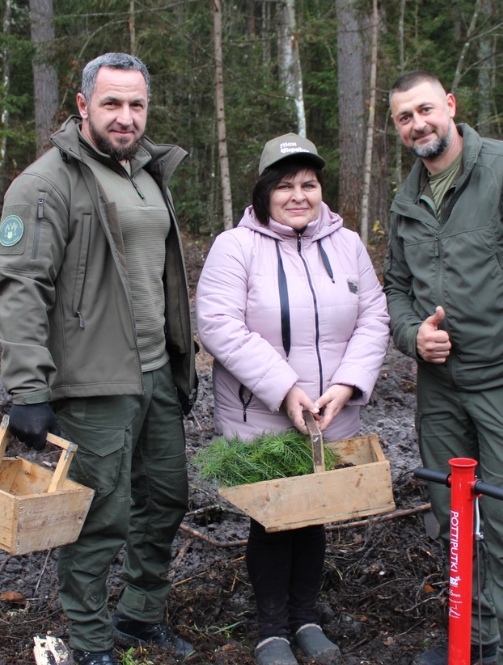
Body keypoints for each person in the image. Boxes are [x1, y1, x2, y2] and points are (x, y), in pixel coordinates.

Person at [0, 53, 197, 665]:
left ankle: (139, 615)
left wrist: (180, 367)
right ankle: (90, 641)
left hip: (156, 373)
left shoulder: (146, 173)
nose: (126, 117)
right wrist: (27, 388)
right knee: (97, 517)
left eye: (136, 104)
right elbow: (21, 286)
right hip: (93, 380)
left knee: (165, 500)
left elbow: (158, 276)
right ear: (83, 105)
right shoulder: (44, 184)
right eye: (111, 103)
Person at [384, 71, 503, 665]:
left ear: (449, 105)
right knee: (453, 526)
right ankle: (473, 640)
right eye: (403, 118)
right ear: (396, 129)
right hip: (440, 394)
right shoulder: (404, 198)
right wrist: (412, 336)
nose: (418, 124)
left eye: (425, 110)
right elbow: (395, 287)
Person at [196, 134, 390, 665]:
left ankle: (306, 618)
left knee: (315, 515)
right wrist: (285, 391)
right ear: (264, 192)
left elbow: (374, 317)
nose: (298, 195)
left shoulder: (347, 244)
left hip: (330, 412)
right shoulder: (234, 247)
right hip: (260, 411)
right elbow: (218, 325)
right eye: (284, 186)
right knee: (274, 518)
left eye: (308, 184)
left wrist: (347, 385)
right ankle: (271, 631)